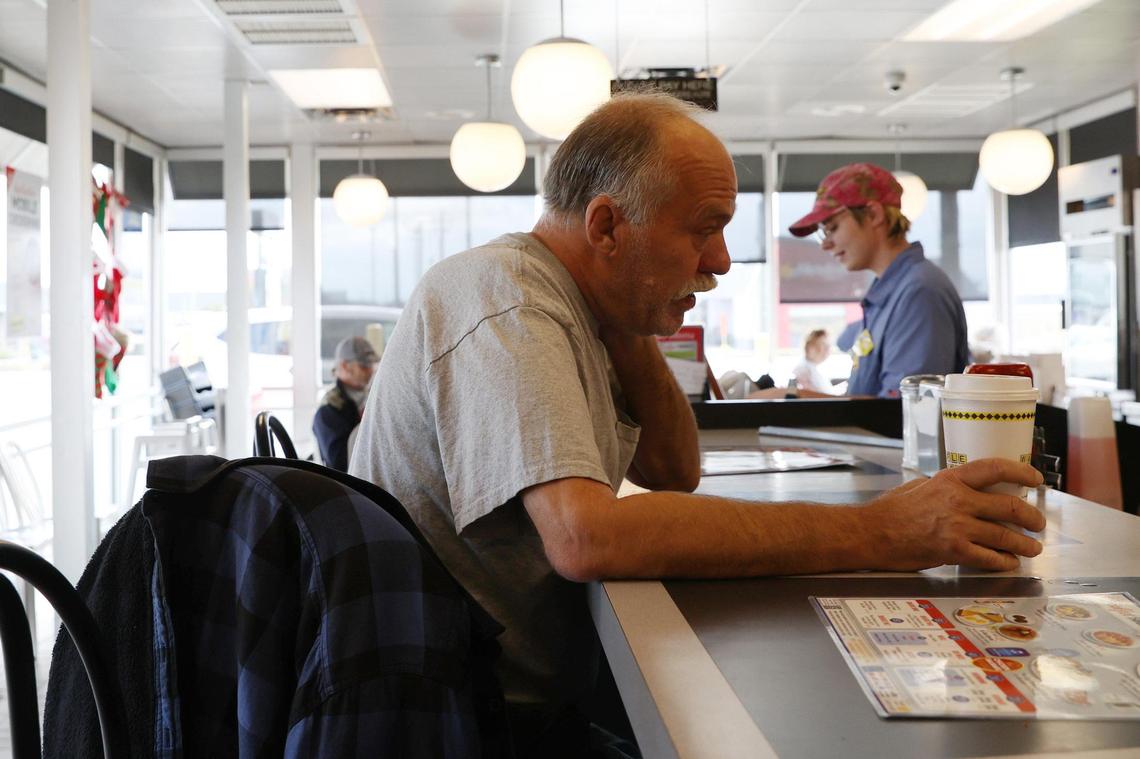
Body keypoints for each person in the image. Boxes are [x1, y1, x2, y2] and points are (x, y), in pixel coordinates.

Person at [350, 94, 1044, 756]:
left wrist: (628, 322)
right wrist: (883, 532)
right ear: (605, 227)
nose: (719, 261)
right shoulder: (505, 299)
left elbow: (673, 470)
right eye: (703, 227)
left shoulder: (579, 306)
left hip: (525, 693)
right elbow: (586, 536)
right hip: (475, 719)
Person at [788, 163, 969, 397]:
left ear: (874, 214)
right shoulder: (890, 292)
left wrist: (793, 398)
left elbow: (904, 412)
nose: (825, 243)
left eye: (832, 227)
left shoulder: (919, 292)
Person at [313, 336, 378, 471]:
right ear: (344, 366)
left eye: (372, 365)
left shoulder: (371, 397)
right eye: (364, 366)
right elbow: (340, 464)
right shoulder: (329, 409)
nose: (371, 371)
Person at [793, 329, 834, 394]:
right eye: (823, 344)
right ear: (810, 348)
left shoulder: (812, 368)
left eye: (828, 345)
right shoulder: (803, 371)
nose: (828, 349)